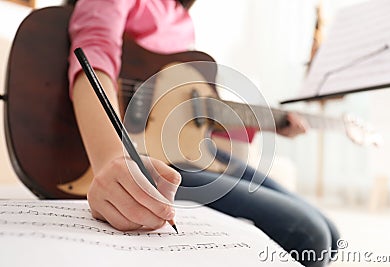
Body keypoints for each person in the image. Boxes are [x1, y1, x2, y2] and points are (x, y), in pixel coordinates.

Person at [68, 1, 339, 266]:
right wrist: (113, 160)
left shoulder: (181, 19)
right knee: (310, 236)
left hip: (181, 152)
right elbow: (93, 55)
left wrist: (269, 123)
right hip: (148, 161)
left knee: (332, 235)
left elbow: (187, 119)